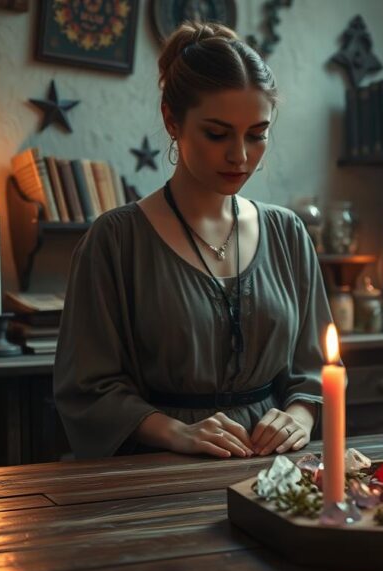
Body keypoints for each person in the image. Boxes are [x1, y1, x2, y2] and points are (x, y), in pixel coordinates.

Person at [53, 21, 332, 460]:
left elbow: (316, 368)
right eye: (217, 133)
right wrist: (175, 432)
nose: (240, 155)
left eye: (257, 135)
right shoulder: (115, 240)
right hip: (160, 472)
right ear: (172, 120)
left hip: (274, 471)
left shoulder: (288, 234)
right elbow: (88, 388)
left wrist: (299, 415)